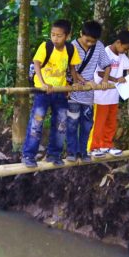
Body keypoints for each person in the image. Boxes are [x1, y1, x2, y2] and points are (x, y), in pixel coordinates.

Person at [23, 19, 80, 167]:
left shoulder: (70, 49)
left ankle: (54, 154)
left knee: (61, 124)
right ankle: (29, 155)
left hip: (60, 92)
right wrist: (43, 83)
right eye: (53, 34)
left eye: (59, 35)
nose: (55, 38)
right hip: (43, 92)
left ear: (67, 36)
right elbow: (37, 64)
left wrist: (75, 83)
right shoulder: (46, 46)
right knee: (37, 122)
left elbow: (72, 68)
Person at [89, 30, 129, 155]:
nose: (125, 51)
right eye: (125, 48)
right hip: (101, 95)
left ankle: (107, 145)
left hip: (113, 96)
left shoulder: (121, 56)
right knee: (99, 122)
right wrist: (115, 79)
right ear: (118, 42)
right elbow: (99, 72)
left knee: (111, 122)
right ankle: (93, 147)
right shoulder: (104, 53)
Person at [65, 20, 104, 163]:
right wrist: (84, 82)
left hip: (88, 95)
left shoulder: (98, 47)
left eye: (93, 42)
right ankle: (71, 152)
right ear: (81, 34)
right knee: (72, 124)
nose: (89, 44)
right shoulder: (71, 47)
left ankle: (83, 152)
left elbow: (106, 64)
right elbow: (71, 69)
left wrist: (104, 80)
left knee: (87, 125)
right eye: (87, 40)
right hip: (73, 93)